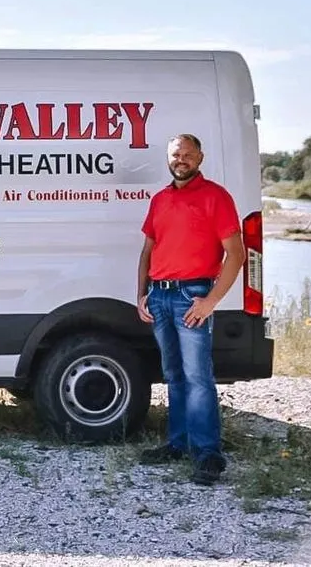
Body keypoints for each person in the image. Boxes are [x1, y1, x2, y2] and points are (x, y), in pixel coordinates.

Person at [135, 133, 245, 485]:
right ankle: (178, 444)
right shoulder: (160, 199)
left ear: (200, 158)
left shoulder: (216, 197)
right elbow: (148, 251)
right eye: (175, 154)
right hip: (159, 297)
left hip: (191, 295)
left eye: (187, 154)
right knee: (174, 375)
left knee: (198, 377)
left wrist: (211, 301)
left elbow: (237, 255)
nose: (180, 159)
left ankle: (208, 454)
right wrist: (142, 295)